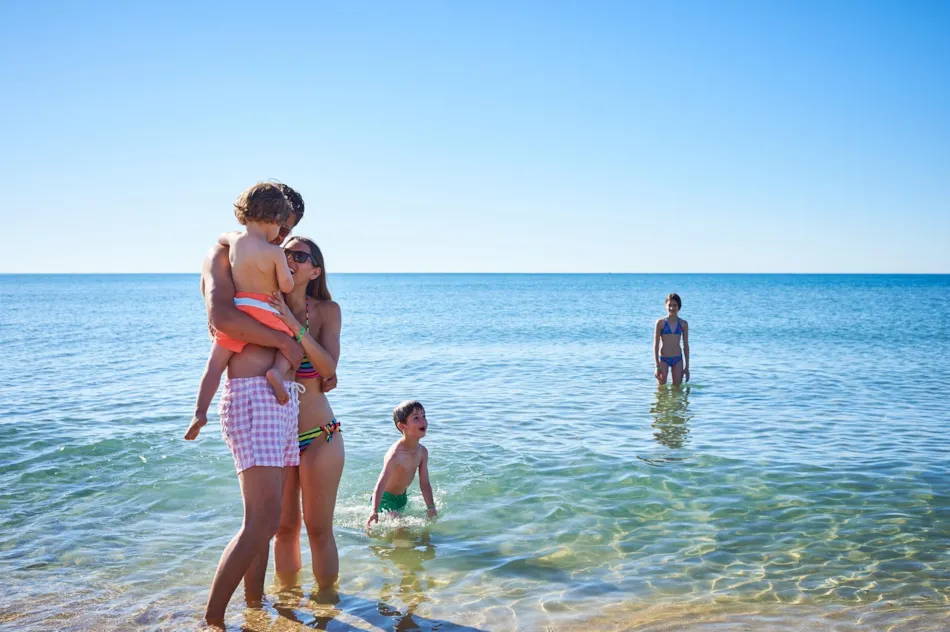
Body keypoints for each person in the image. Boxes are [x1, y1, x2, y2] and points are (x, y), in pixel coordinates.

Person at [195, 183, 335, 629]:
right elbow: (222, 318)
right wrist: (283, 341)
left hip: (282, 405)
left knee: (265, 520)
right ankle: (214, 620)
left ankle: (254, 610)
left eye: (290, 232)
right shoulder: (225, 255)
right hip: (252, 393)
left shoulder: (288, 279)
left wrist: (295, 338)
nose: (282, 240)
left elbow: (328, 372)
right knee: (263, 521)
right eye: (281, 228)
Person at [185, 183, 297, 442]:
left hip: (241, 309)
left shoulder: (234, 241)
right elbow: (286, 286)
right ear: (277, 220)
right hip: (268, 309)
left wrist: (233, 236)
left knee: (215, 365)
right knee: (291, 348)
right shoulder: (275, 252)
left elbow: (221, 237)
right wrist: (287, 276)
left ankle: (200, 412)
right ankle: (277, 374)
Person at [264, 237, 345, 592]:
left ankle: (327, 607)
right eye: (286, 254)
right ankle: (287, 606)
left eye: (299, 255)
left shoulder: (327, 312)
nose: (290, 259)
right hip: (278, 437)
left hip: (320, 436)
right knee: (283, 529)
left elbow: (327, 367)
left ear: (315, 270)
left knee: (318, 529)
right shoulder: (264, 306)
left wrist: (294, 325)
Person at [366, 401, 437, 529]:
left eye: (424, 416)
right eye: (416, 418)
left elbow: (424, 484)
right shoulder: (395, 454)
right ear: (402, 426)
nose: (423, 421)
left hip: (402, 499)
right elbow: (381, 483)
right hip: (384, 500)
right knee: (401, 531)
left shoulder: (422, 452)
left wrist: (431, 507)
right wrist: (374, 511)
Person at [653, 293, 690, 386]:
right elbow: (656, 345)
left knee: (677, 390)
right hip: (664, 359)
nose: (672, 308)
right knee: (661, 390)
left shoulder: (683, 324)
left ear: (679, 307)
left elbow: (685, 345)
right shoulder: (660, 323)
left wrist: (687, 367)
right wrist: (657, 366)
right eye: (669, 305)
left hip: (678, 359)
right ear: (666, 306)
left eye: (675, 305)